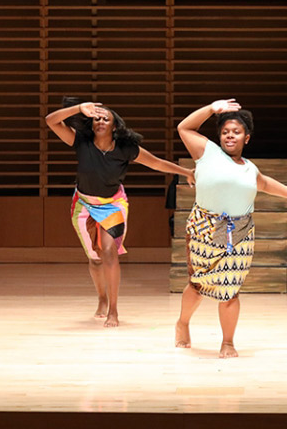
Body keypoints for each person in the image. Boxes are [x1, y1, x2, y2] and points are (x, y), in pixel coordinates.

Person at [175, 99, 287, 358]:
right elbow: (184, 128)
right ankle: (183, 323)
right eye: (225, 132)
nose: (230, 135)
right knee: (197, 285)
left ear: (247, 138)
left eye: (236, 132)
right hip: (204, 227)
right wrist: (211, 109)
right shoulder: (207, 152)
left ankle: (227, 343)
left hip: (239, 232)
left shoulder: (250, 169)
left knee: (230, 290)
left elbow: (266, 184)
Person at [45, 98, 194, 328]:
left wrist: (185, 172)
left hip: (113, 205)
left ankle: (113, 310)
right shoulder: (81, 141)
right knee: (95, 259)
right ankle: (102, 298)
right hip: (83, 205)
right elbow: (50, 121)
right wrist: (78, 109)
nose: (100, 121)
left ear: (115, 126)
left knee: (109, 251)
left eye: (106, 118)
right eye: (96, 118)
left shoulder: (125, 148)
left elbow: (156, 163)